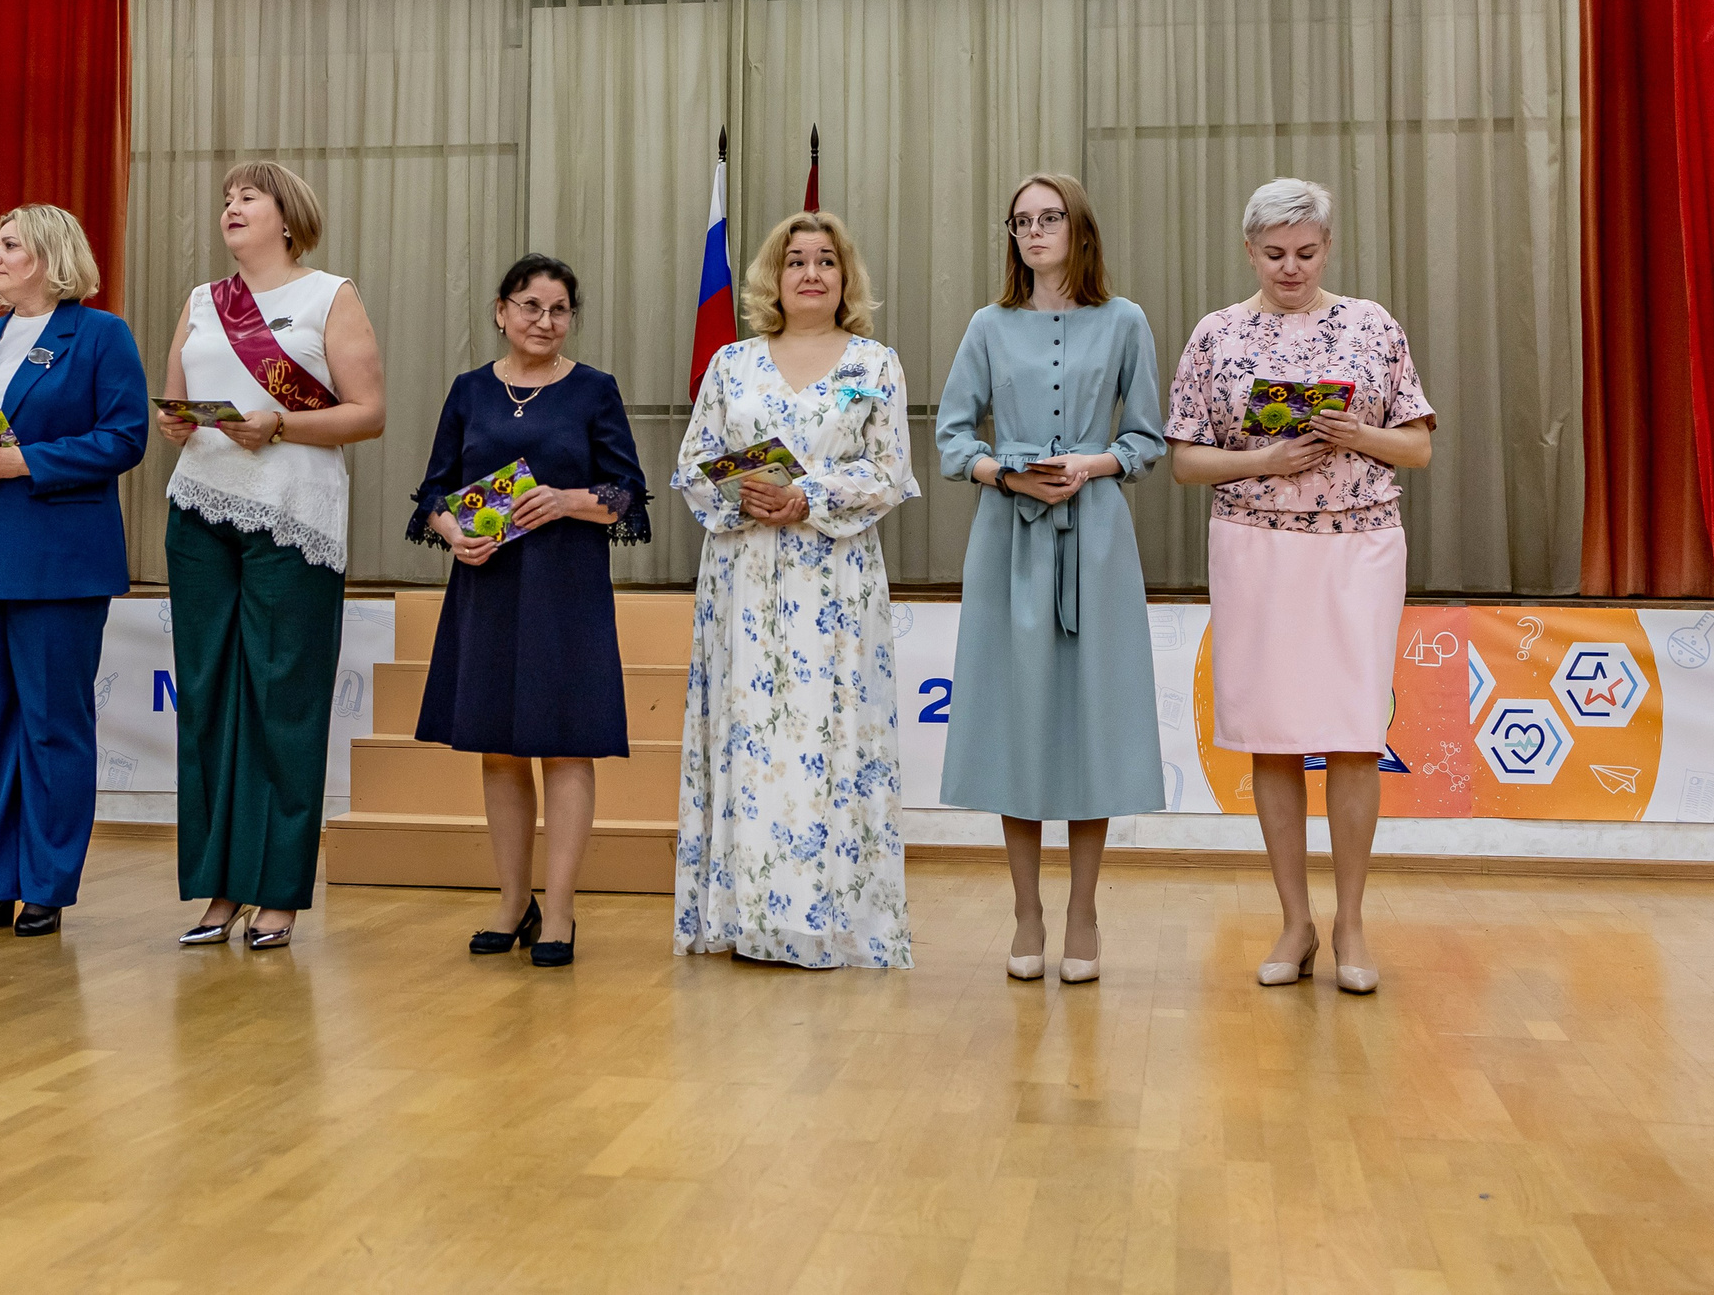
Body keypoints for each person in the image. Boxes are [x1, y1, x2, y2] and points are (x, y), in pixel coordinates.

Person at [1166, 177, 1434, 995]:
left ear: (1329, 246)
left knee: (1355, 731)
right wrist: (1264, 458)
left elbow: (1419, 448)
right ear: (1250, 250)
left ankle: (1351, 922)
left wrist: (1360, 433)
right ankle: (1296, 921)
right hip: (1254, 546)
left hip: (1358, 546)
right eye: (1276, 254)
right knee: (1274, 735)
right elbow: (1184, 459)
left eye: (1307, 252)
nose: (1292, 268)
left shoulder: (1371, 324)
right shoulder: (1216, 335)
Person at [671, 211, 920, 970]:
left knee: (831, 735)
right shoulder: (731, 363)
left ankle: (835, 921)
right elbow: (694, 461)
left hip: (834, 580)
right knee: (749, 739)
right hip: (744, 576)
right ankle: (746, 919)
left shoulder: (876, 364)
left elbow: (889, 470)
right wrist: (744, 493)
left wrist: (809, 496)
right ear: (772, 279)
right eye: (795, 261)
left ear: (846, 278)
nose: (810, 272)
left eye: (826, 261)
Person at [935, 174, 1166, 986]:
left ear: (1078, 228)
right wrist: (1004, 473)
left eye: (1049, 218)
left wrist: (1093, 463)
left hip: (1096, 535)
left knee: (1093, 720)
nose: (1035, 232)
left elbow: (1148, 436)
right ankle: (1027, 909)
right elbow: (952, 434)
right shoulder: (987, 326)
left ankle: (1084, 909)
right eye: (1022, 221)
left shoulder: (1126, 319)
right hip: (1009, 537)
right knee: (1018, 720)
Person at [157, 162, 386, 951]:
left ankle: (278, 889)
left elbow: (368, 413)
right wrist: (180, 424)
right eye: (225, 199)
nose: (232, 207)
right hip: (200, 512)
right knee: (209, 697)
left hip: (293, 516)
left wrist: (281, 424)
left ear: (288, 217)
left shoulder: (330, 295)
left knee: (283, 701)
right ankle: (220, 885)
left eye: (247, 197)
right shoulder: (200, 301)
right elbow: (176, 404)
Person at [408, 255, 649, 968]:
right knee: (500, 747)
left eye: (559, 309)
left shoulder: (593, 390)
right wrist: (453, 532)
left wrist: (568, 500)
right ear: (500, 309)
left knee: (567, 743)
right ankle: (514, 900)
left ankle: (562, 908)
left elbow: (629, 493)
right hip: (488, 585)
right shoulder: (469, 390)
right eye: (530, 305)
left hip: (566, 586)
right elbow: (432, 493)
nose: (544, 321)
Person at [0, 206, 148, 939]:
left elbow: (125, 435)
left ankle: (46, 883)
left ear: (49, 256)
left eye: (8, 245)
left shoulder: (100, 334)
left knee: (53, 726)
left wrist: (27, 461)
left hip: (56, 561)